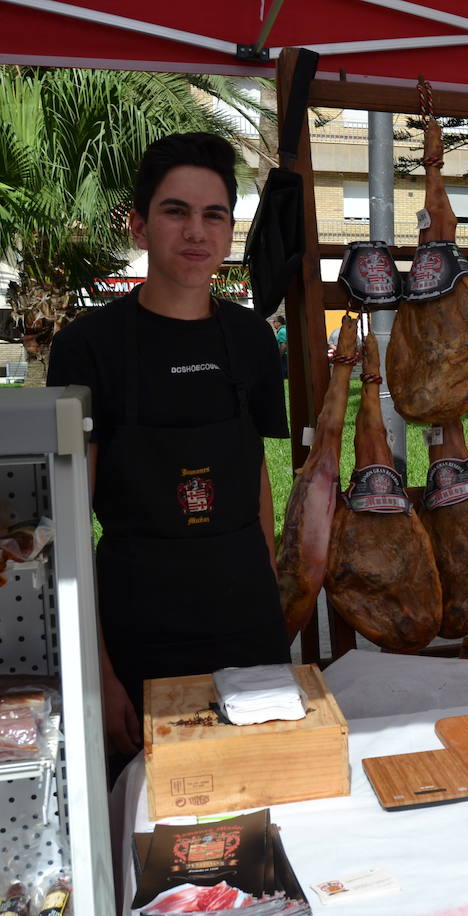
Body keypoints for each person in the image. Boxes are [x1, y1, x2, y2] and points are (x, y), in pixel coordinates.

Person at [47, 133, 291, 759]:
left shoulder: (252, 340)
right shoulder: (88, 347)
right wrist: (98, 676)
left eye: (214, 215)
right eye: (175, 211)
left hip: (244, 613)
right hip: (140, 617)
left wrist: (266, 586)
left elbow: (258, 478)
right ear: (139, 225)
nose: (196, 231)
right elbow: (70, 520)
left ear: (230, 232)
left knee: (261, 782)